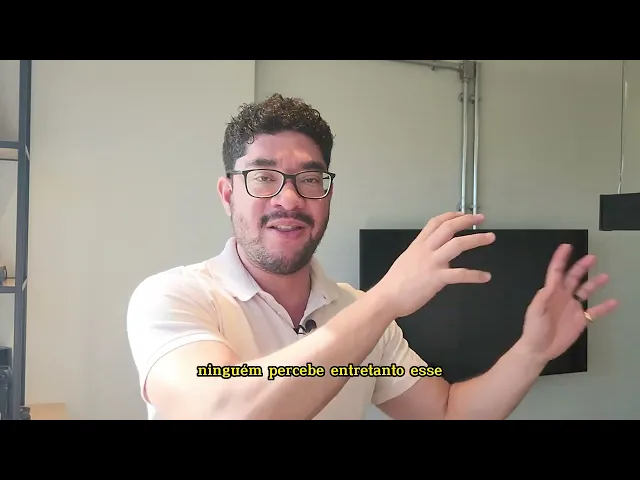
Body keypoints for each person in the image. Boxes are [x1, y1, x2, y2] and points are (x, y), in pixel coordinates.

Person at [126, 93, 618, 420]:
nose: (289, 198)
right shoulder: (176, 297)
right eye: (263, 177)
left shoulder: (361, 316)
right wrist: (385, 300)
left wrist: (531, 352)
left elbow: (447, 411)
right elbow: (224, 411)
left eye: (310, 178)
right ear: (228, 193)